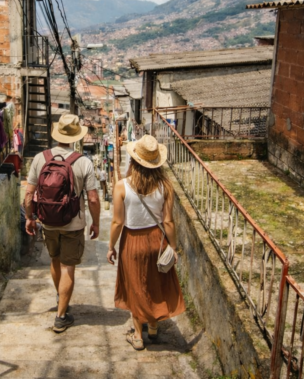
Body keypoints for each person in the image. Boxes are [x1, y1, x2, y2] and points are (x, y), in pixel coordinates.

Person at [107, 134, 185, 351]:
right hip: (157, 240)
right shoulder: (165, 186)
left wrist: (111, 246)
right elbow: (168, 221)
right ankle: (152, 327)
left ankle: (137, 336)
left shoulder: (122, 186)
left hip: (132, 241)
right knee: (153, 283)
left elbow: (117, 222)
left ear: (134, 161)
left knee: (135, 286)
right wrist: (173, 247)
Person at [24, 114, 101, 333]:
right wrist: (95, 223)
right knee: (68, 266)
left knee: (55, 259)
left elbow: (28, 195)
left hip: (48, 222)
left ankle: (61, 296)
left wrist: (30, 218)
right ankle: (61, 316)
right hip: (73, 224)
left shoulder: (40, 158)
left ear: (56, 134)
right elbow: (93, 198)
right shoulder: (83, 162)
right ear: (76, 137)